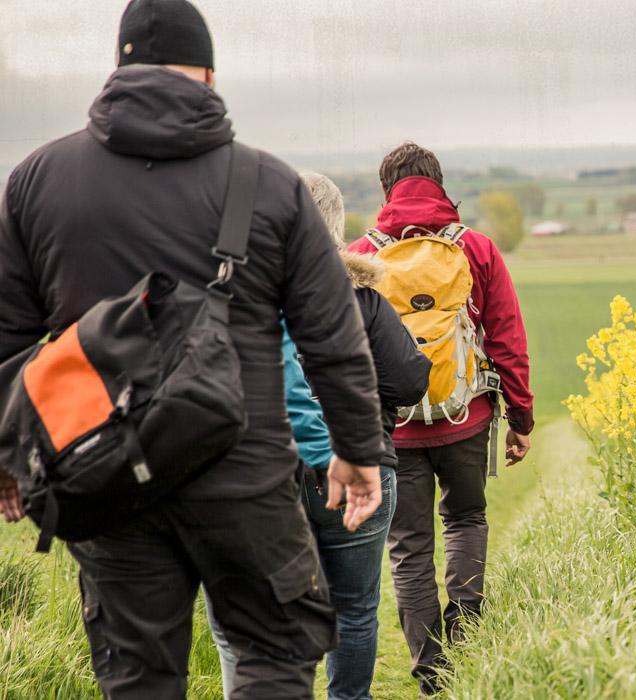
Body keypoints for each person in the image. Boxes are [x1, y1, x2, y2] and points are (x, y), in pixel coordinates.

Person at [0, 2, 386, 698]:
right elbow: (334, 337)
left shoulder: (34, 180)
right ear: (209, 73)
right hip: (246, 477)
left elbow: (6, 339)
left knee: (138, 679)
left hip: (108, 479)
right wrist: (356, 451)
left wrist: (6, 460)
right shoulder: (270, 184)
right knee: (275, 651)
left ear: (117, 69)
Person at [206, 173, 432, 699]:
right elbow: (409, 381)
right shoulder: (365, 301)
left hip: (263, 475)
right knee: (354, 608)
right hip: (362, 469)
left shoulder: (240, 295)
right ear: (334, 226)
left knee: (246, 613)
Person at [347, 142, 534, 694]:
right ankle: (468, 637)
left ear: (387, 191)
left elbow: (344, 350)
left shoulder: (361, 255)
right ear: (440, 185)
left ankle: (431, 672)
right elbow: (506, 340)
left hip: (394, 428)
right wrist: (521, 417)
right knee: (466, 519)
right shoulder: (475, 248)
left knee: (408, 545)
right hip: (467, 416)